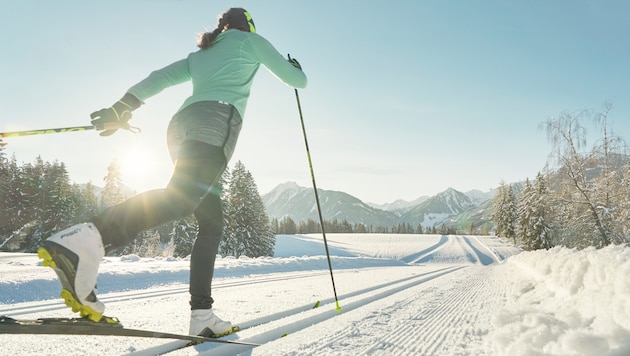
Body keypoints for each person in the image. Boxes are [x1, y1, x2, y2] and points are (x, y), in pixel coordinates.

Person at [37, 7, 307, 337]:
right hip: (214, 123)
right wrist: (295, 67)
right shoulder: (251, 41)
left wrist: (123, 106)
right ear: (246, 26)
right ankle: (87, 238)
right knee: (179, 199)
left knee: (211, 221)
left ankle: (202, 315)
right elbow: (298, 81)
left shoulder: (203, 54)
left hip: (180, 128)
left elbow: (160, 77)